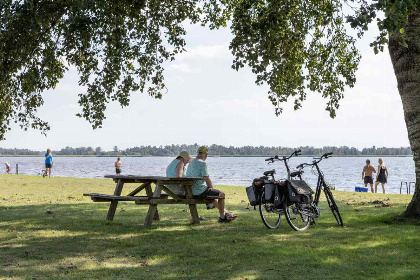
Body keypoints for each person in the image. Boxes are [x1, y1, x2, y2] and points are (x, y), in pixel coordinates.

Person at [186, 146, 237, 223]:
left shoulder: (191, 163)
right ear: (205, 155)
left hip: (191, 191)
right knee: (221, 194)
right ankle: (222, 217)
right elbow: (207, 179)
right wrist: (211, 188)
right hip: (199, 191)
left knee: (213, 195)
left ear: (197, 153)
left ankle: (227, 213)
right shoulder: (202, 163)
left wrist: (211, 190)